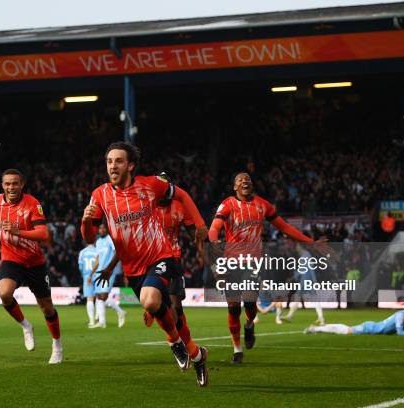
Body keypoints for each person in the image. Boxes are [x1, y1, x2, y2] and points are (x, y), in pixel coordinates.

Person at [80, 142, 209, 387]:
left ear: (130, 165)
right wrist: (86, 222)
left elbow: (181, 194)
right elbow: (89, 238)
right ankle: (197, 355)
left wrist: (200, 223)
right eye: (109, 161)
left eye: (118, 161)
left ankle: (175, 343)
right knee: (156, 305)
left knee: (156, 302)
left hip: (162, 255)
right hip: (133, 268)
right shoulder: (100, 195)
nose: (112, 166)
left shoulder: (151, 185)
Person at [208, 171, 329, 364]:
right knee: (232, 308)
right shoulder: (228, 204)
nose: (245, 181)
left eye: (247, 178)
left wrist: (310, 242)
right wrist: (213, 241)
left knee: (249, 303)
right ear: (235, 187)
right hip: (231, 263)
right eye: (240, 179)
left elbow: (285, 228)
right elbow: (214, 227)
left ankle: (249, 325)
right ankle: (237, 349)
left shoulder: (263, 205)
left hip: (253, 263)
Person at [0, 169, 62, 364]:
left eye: (15, 184)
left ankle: (57, 345)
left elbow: (43, 234)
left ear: (22, 185)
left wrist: (17, 231)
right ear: (2, 185)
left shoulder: (33, 204)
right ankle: (26, 326)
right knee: (4, 293)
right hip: (11, 259)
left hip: (34, 262)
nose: (11, 187)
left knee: (47, 308)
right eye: (7, 184)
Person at [144, 172, 203, 355]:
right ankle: (181, 344)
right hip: (151, 260)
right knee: (160, 303)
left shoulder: (179, 206)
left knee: (177, 306)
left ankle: (182, 343)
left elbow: (194, 231)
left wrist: (202, 253)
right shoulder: (146, 207)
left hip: (173, 258)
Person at [88, 224, 126, 328]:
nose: (102, 230)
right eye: (100, 228)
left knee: (103, 296)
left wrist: (118, 268)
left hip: (109, 272)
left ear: (107, 229)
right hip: (99, 273)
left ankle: (118, 313)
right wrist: (91, 274)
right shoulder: (99, 242)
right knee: (99, 297)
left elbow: (117, 252)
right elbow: (97, 259)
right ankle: (103, 322)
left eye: (104, 228)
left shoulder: (110, 239)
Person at [305, 303, 404, 336]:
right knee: (346, 331)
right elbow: (400, 333)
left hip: (372, 328)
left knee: (345, 329)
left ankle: (320, 327)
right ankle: (315, 329)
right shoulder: (401, 316)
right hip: (370, 328)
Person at [282, 242, 324, 325]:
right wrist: (294, 277)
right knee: (313, 298)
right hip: (307, 279)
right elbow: (302, 270)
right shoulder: (304, 255)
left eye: (297, 246)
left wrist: (314, 280)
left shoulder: (306, 255)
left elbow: (310, 268)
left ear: (301, 247)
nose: (296, 247)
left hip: (306, 279)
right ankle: (321, 318)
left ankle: (290, 316)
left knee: (298, 295)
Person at [78, 242, 98, 327]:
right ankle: (98, 317)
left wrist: (84, 275)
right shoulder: (97, 250)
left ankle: (92, 321)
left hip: (87, 276)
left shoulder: (82, 252)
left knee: (89, 299)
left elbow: (80, 266)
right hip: (97, 275)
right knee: (99, 297)